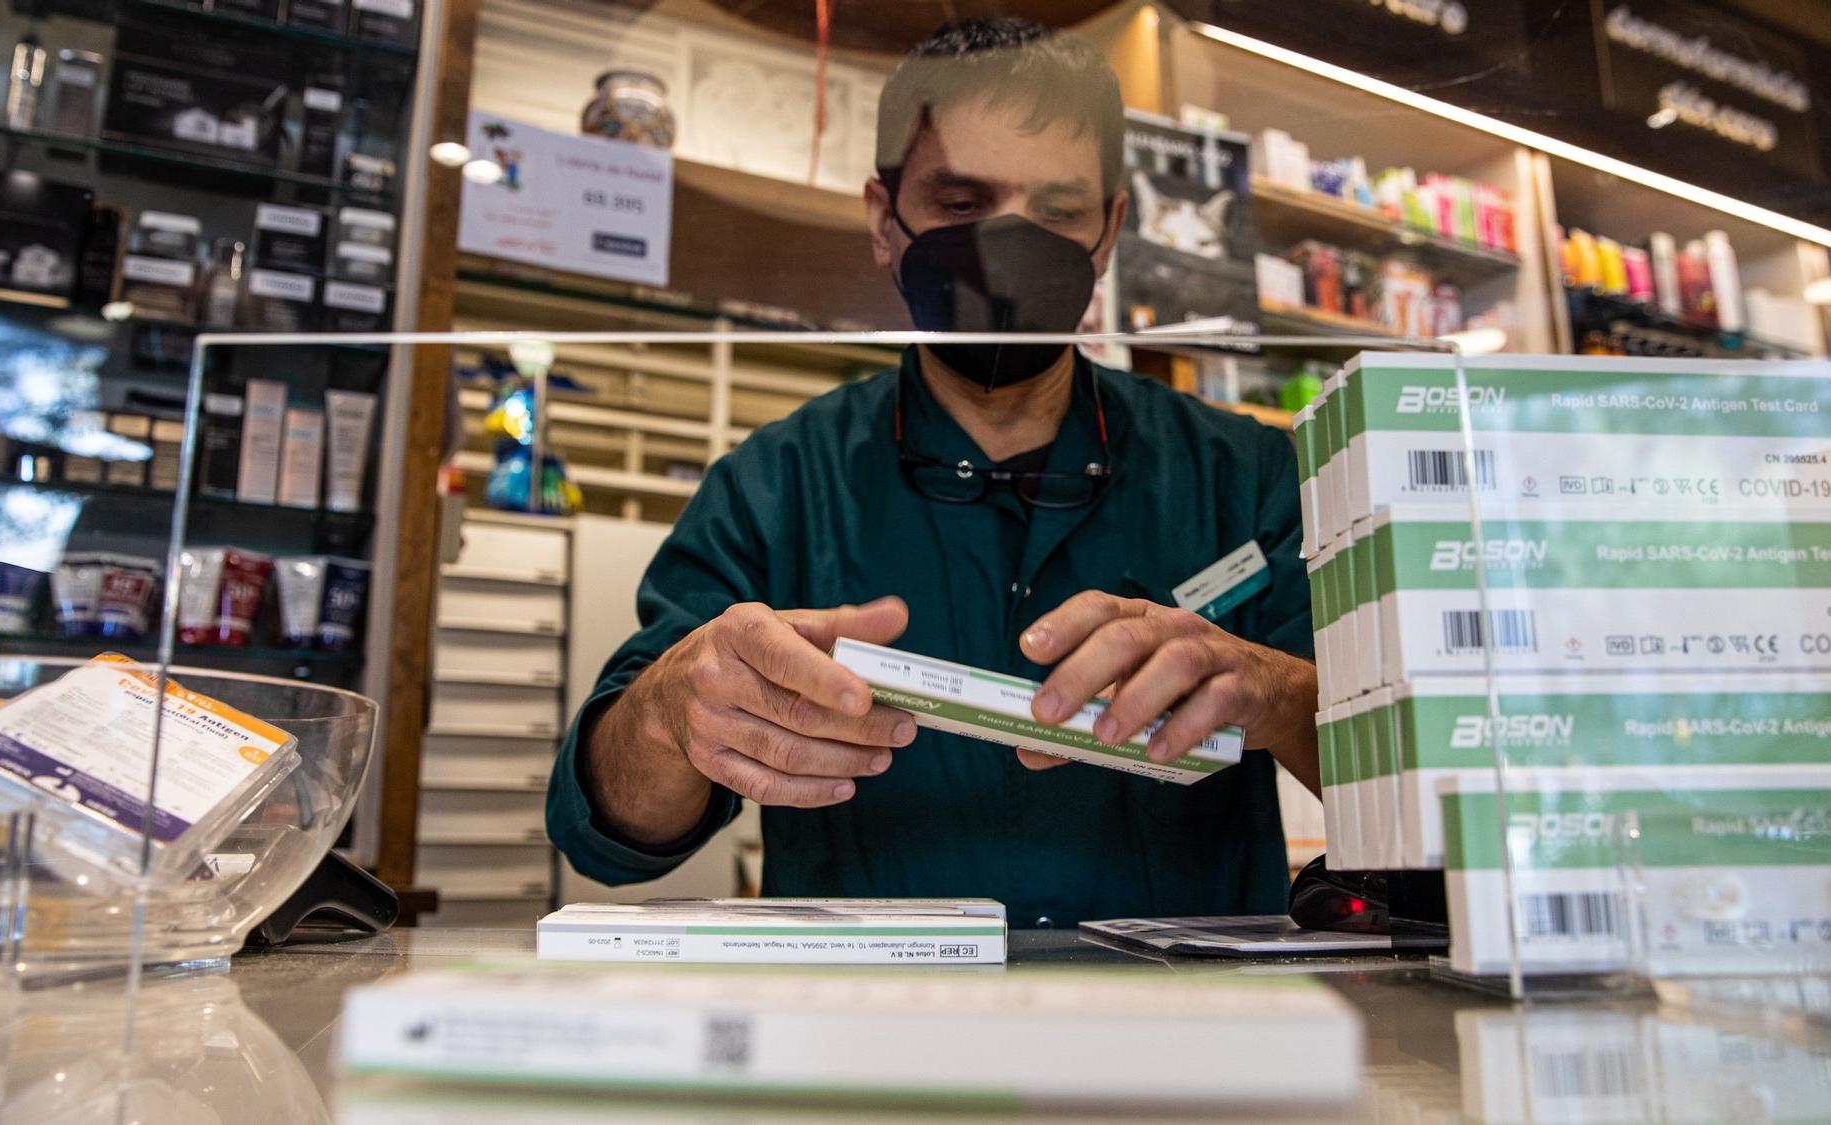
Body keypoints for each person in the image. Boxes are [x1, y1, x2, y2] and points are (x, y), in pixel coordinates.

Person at [547, 17, 1318, 928]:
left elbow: (1425, 780)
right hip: (870, 1043)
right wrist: (673, 713)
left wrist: (1273, 692)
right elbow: (610, 831)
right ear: (885, 220)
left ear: (1109, 229)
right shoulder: (777, 486)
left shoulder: (1247, 475)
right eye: (961, 203)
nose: (1006, 247)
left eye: (1057, 212)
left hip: (1194, 1044)